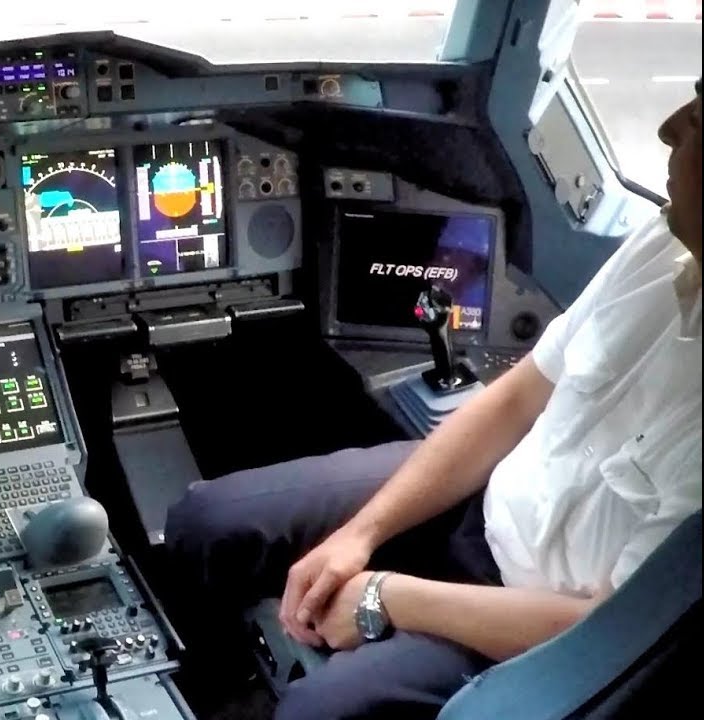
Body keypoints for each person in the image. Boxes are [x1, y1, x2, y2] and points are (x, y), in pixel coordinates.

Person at [165, 80, 702, 720]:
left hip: (538, 622)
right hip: (489, 498)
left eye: (699, 118)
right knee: (208, 524)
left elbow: (608, 628)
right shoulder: (662, 245)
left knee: (316, 713)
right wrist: (361, 535)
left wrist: (385, 595)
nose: (669, 128)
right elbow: (517, 399)